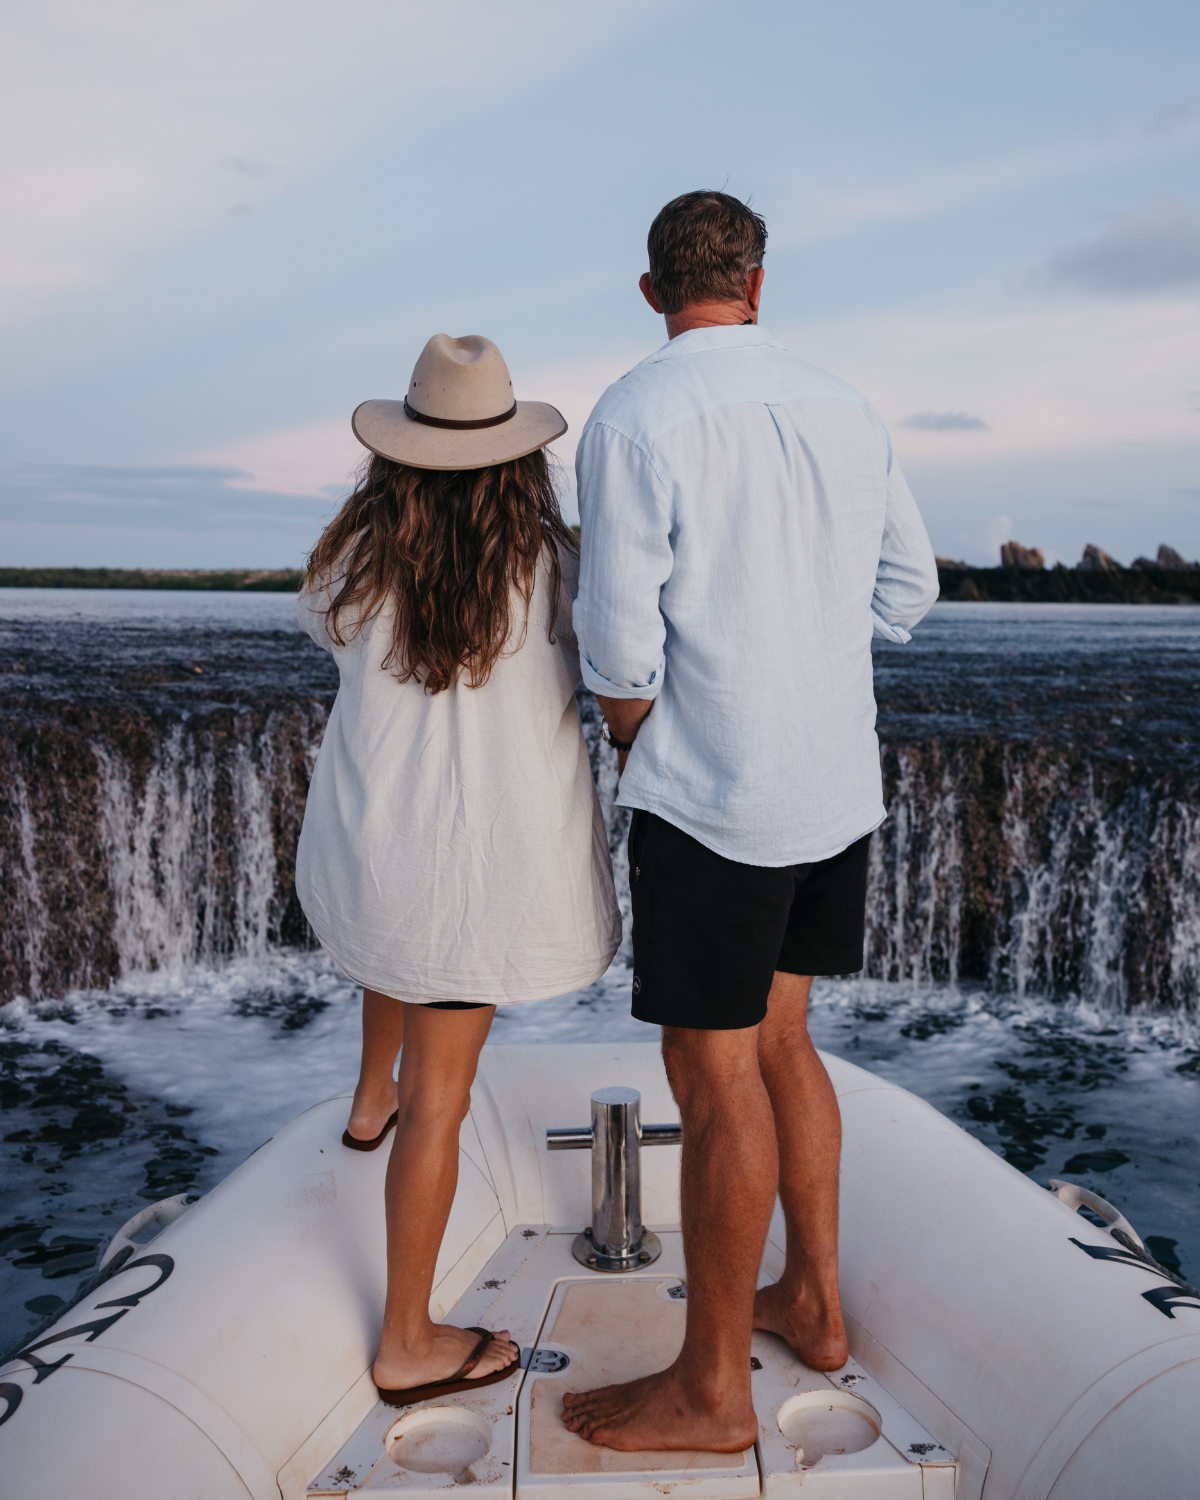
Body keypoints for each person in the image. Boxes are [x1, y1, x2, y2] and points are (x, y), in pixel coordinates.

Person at [562, 191, 939, 1452]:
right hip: (835, 785)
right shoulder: (845, 403)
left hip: (717, 796)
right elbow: (911, 586)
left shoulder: (634, 412)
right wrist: (812, 654)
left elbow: (615, 639)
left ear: (653, 291)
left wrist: (640, 739)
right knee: (788, 1043)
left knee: (715, 1075)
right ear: (759, 282)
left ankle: (714, 1391)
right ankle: (816, 1305)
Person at [295, 334, 621, 1406]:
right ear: (517, 457)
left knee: (392, 945)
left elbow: (324, 630)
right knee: (444, 1097)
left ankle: (362, 1099)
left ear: (396, 455)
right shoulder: (553, 566)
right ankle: (405, 1341)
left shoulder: (351, 561)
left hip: (381, 850)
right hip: (478, 865)